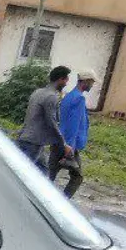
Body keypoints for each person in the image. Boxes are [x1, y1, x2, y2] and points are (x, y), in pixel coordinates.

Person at [15, 65, 72, 173]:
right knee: (22, 172)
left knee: (43, 170)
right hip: (34, 142)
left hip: (25, 136)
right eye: (66, 81)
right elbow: (52, 122)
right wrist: (63, 144)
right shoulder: (51, 97)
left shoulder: (38, 92)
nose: (66, 84)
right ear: (60, 79)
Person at [50, 68, 90, 198]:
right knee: (77, 177)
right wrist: (70, 147)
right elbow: (74, 125)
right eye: (91, 82)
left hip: (59, 140)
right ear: (85, 82)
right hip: (68, 143)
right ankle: (61, 202)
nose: (92, 85)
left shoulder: (69, 96)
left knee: (50, 173)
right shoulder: (79, 99)